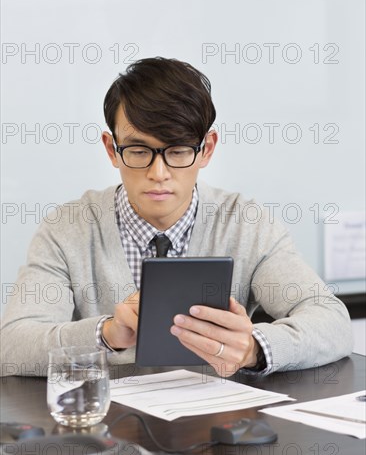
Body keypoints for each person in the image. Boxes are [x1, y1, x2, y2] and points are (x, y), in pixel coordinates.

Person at [1, 57, 352, 378]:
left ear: (206, 150)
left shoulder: (246, 224)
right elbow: (13, 345)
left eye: (178, 151)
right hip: (108, 427)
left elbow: (332, 322)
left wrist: (253, 348)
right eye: (139, 151)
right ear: (112, 149)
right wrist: (106, 334)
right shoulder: (67, 229)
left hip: (215, 427)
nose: (159, 173)